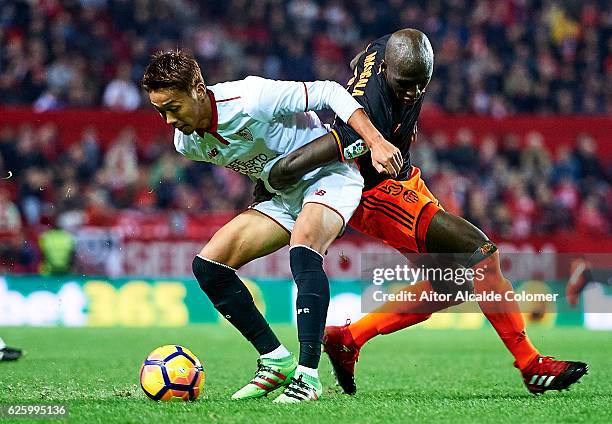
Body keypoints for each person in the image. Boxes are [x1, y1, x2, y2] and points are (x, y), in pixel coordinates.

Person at [261, 29, 588, 395]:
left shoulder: (389, 50)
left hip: (405, 181)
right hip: (376, 194)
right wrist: (277, 174)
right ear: (385, 70)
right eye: (405, 85)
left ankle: (348, 338)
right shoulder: (367, 106)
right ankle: (530, 364)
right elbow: (333, 144)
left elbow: (359, 62)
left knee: (451, 283)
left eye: (421, 85)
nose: (414, 93)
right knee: (480, 253)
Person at [141, 50, 399, 403]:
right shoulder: (187, 143)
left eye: (173, 107)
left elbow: (329, 91)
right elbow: (253, 158)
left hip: (330, 175)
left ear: (198, 89)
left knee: (304, 244)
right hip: (282, 196)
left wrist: (375, 141)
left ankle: (308, 377)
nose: (169, 120)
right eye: (160, 111)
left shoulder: (251, 98)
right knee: (209, 266)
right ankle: (275, 360)